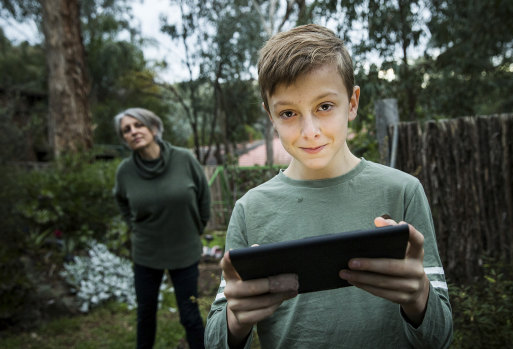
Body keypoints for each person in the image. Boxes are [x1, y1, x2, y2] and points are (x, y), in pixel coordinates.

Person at [204, 24, 453, 348]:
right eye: (289, 112)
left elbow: (441, 337)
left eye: (324, 106)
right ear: (270, 115)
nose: (310, 131)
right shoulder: (250, 210)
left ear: (352, 102)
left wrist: (419, 297)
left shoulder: (403, 191)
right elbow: (214, 340)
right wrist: (235, 320)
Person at [113, 108, 210, 349]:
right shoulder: (125, 172)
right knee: (145, 315)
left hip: (184, 249)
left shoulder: (184, 159)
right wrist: (135, 226)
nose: (133, 131)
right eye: (127, 129)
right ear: (124, 138)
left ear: (153, 128)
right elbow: (122, 203)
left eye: (138, 125)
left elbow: (203, 197)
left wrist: (195, 228)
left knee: (189, 314)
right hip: (146, 253)